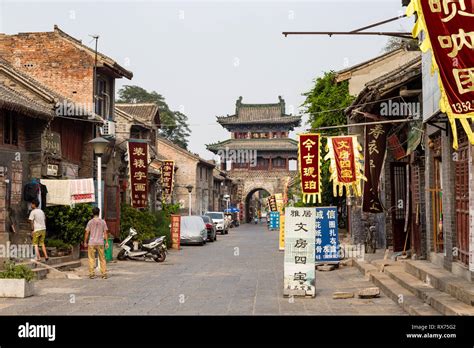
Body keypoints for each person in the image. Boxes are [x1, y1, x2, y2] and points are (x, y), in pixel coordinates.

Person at [84, 207, 109, 279]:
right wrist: (106, 242)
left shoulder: (90, 222)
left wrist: (85, 241)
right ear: (99, 212)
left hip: (91, 242)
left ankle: (92, 274)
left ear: (92, 213)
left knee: (91, 258)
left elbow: (87, 232)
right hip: (100, 242)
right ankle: (104, 274)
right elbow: (105, 232)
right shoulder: (103, 222)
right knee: (102, 258)